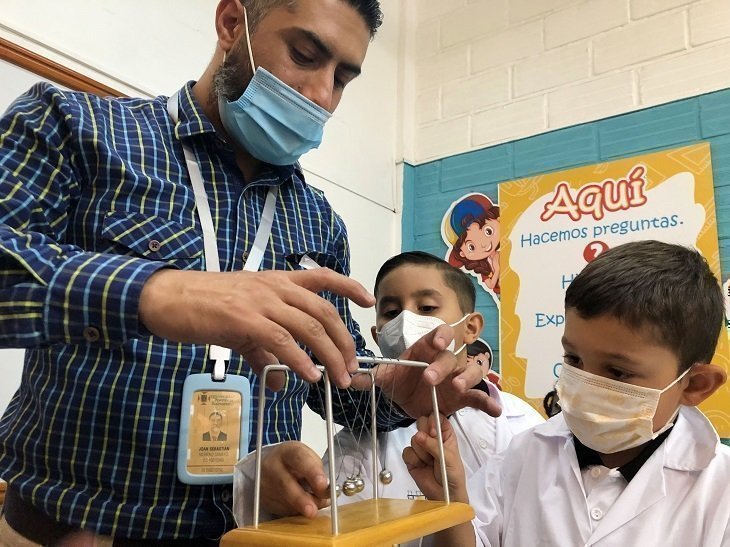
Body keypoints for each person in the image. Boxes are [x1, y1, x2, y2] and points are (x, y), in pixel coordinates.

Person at [0, 1, 496, 543]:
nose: (323, 96)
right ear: (233, 24)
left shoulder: (317, 221)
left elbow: (333, 375)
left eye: (343, 79)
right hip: (71, 529)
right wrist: (157, 293)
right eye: (305, 55)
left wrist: (393, 388)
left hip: (258, 535)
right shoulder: (75, 127)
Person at [406, 240, 730, 546]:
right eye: (573, 359)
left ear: (695, 384)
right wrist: (451, 503)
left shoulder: (721, 490)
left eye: (617, 372)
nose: (585, 384)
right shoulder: (523, 455)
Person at [232, 252, 543, 544]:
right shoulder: (359, 443)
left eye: (427, 308)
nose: (407, 321)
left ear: (471, 327)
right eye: (392, 312)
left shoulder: (519, 422)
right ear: (377, 335)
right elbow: (326, 526)